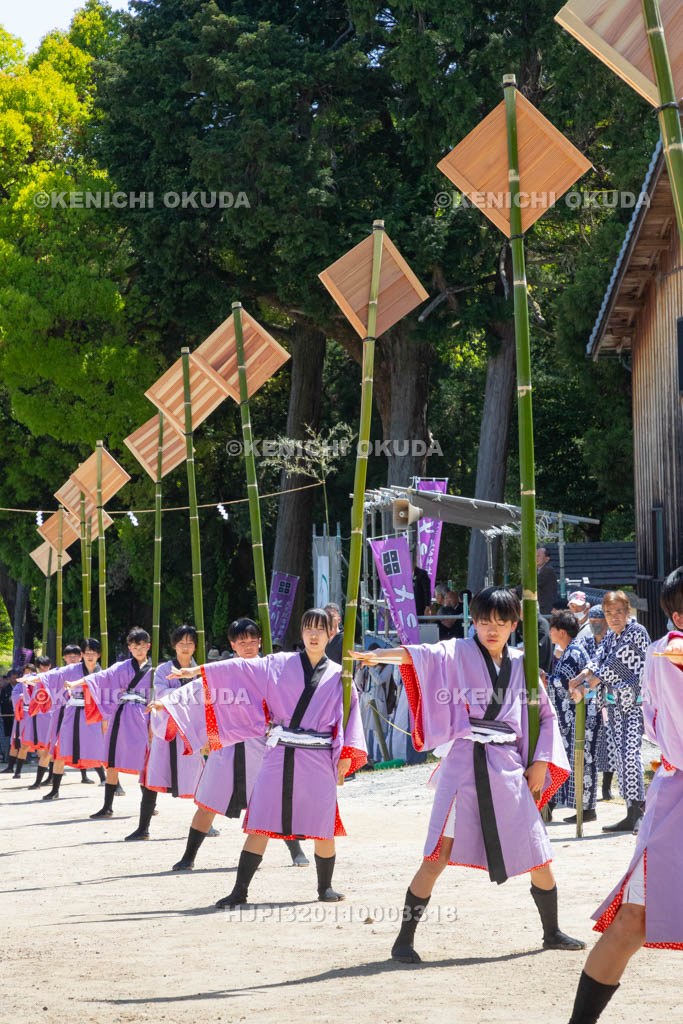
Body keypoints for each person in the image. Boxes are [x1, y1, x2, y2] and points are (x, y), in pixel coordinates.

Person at [352, 586, 584, 963]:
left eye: (500, 622)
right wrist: (382, 655)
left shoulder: (524, 664)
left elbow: (544, 715)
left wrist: (540, 760)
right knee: (437, 855)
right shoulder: (457, 651)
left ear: (513, 624)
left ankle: (551, 931)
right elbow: (421, 656)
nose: (492, 629)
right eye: (484, 621)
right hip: (464, 763)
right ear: (472, 621)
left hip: (507, 767)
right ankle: (403, 939)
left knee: (536, 850)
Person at [162, 608, 367, 907]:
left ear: (330, 633)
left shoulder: (341, 677)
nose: (313, 635)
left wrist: (345, 757)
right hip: (279, 753)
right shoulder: (278, 664)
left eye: (319, 630)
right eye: (308, 628)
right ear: (301, 632)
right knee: (260, 821)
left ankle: (325, 887)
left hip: (319, 757)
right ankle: (240, 890)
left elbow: (350, 719)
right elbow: (238, 670)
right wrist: (197, 672)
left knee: (323, 824)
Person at [566, 568, 683, 1024]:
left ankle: (628, 804)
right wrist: (584, 683)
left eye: (618, 609)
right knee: (633, 918)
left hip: (630, 720)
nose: (611, 615)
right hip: (674, 794)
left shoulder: (640, 638)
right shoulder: (663, 648)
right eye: (605, 609)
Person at [166, 619, 307, 869]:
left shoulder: (271, 668)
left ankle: (296, 850)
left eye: (253, 640)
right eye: (242, 641)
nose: (249, 645)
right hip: (227, 744)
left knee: (274, 799)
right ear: (233, 645)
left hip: (262, 742)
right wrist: (165, 702)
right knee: (208, 800)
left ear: (260, 641)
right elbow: (197, 688)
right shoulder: (223, 671)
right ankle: (188, 857)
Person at [570, 591, 650, 834]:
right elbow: (597, 659)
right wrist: (581, 676)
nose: (613, 617)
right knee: (618, 756)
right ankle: (630, 811)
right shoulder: (610, 636)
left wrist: (587, 685)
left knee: (629, 754)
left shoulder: (637, 632)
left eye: (618, 612)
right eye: (608, 613)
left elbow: (615, 665)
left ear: (628, 612)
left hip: (634, 704)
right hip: (613, 705)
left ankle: (639, 811)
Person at [125, 625, 204, 841]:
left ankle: (206, 823)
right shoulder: (162, 669)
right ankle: (143, 827)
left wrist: (182, 694)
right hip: (166, 730)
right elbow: (160, 693)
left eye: (189, 643)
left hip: (191, 732)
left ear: (196, 646)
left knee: (202, 779)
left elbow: (206, 700)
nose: (185, 647)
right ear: (174, 646)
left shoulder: (201, 671)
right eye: (181, 643)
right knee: (152, 777)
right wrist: (188, 693)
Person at [73, 627, 154, 820]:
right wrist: (79, 683)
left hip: (144, 715)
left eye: (143, 646)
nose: (139, 650)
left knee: (145, 759)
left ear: (149, 646)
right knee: (113, 759)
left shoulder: (155, 668)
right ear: (129, 648)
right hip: (121, 714)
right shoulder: (122, 667)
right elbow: (101, 677)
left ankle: (149, 804)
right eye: (135, 647)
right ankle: (107, 806)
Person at [27, 641, 106, 799]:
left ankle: (112, 782)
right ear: (82, 655)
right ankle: (55, 789)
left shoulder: (104, 673)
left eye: (93, 653)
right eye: (87, 653)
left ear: (99, 655)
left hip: (95, 713)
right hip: (72, 712)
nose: (90, 656)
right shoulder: (71, 669)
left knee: (102, 748)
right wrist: (36, 679)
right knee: (61, 750)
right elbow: (52, 675)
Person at [547, 611, 599, 824]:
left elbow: (563, 684)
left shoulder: (572, 653)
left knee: (583, 760)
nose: (549, 632)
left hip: (580, 715)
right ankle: (582, 808)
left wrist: (544, 678)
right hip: (575, 715)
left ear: (561, 632)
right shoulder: (570, 650)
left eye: (552, 629)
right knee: (577, 760)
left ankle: (587, 810)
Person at [536, 546, 558, 614]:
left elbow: (533, 583)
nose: (536, 558)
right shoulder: (537, 570)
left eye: (538, 556)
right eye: (535, 555)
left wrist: (515, 590)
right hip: (541, 607)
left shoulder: (548, 570)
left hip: (546, 608)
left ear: (547, 559)